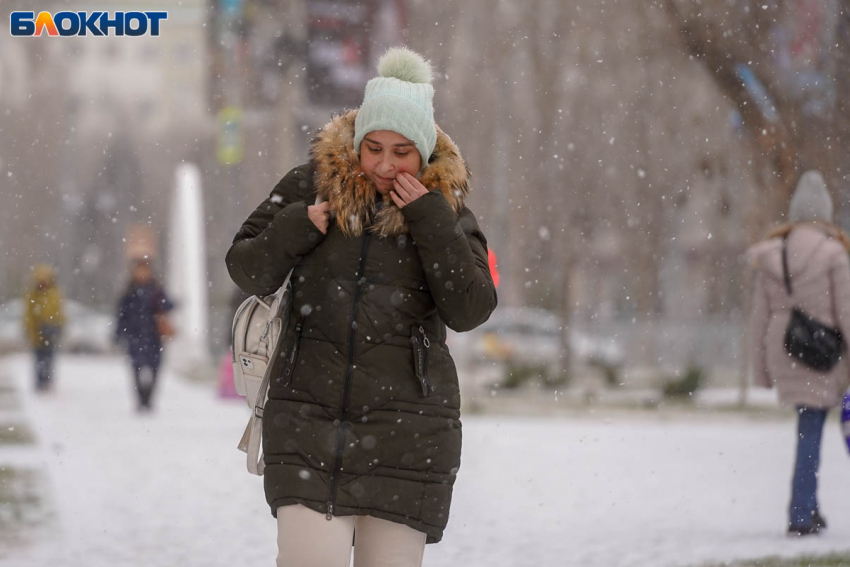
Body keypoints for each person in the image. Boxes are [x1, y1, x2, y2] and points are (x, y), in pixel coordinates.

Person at [226, 47, 497, 566]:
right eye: (373, 148)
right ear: (355, 142)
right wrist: (297, 228)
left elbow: (471, 308)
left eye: (402, 151)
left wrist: (429, 219)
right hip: (307, 427)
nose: (385, 164)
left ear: (424, 152)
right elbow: (246, 269)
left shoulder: (448, 212)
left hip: (407, 440)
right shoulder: (308, 186)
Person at [749, 170, 850, 536]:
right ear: (824, 213)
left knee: (808, 424)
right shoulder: (833, 252)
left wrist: (760, 368)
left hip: (783, 344)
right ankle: (800, 512)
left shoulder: (773, 253)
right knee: (811, 428)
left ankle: (811, 505)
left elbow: (759, 316)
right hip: (818, 348)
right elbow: (846, 310)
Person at [115, 258, 174, 412]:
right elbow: (121, 315)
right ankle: (140, 400)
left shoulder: (156, 290)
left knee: (155, 369)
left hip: (154, 337)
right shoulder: (129, 292)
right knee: (136, 368)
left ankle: (149, 399)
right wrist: (118, 333)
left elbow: (168, 305)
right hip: (135, 336)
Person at [23, 264, 65, 392]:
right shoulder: (33, 295)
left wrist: (57, 327)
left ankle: (47, 381)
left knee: (49, 358)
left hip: (50, 332)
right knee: (39, 359)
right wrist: (30, 329)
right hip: (37, 334)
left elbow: (59, 313)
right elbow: (29, 315)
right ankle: (40, 382)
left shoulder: (54, 294)